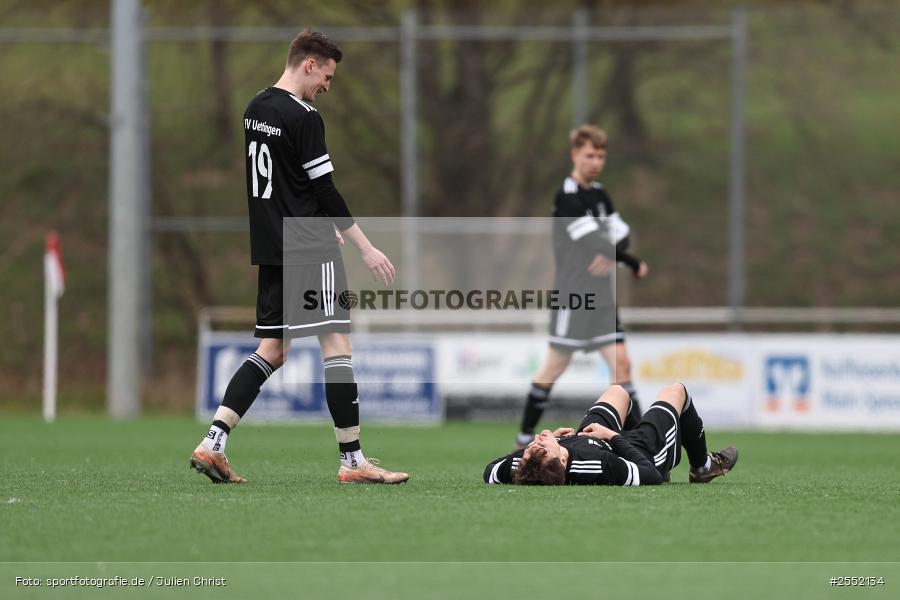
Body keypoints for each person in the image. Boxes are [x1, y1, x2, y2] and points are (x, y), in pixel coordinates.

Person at [189, 31, 408, 485]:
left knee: (273, 349)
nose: (327, 86)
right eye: (327, 76)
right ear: (309, 64)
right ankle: (353, 461)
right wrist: (366, 246)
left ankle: (213, 442)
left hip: (273, 246)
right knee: (337, 346)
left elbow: (286, 181)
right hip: (309, 246)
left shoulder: (255, 108)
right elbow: (323, 187)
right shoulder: (304, 116)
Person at [516, 125, 649, 449]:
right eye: (590, 155)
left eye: (601, 156)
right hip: (573, 296)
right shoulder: (567, 198)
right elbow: (593, 240)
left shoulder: (600, 195)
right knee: (553, 368)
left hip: (602, 297)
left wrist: (610, 253)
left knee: (622, 366)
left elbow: (621, 235)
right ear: (575, 154)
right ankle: (523, 439)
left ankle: (643, 443)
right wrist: (631, 262)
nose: (596, 162)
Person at [487, 383, 737, 486]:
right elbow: (650, 475)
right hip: (639, 451)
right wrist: (613, 436)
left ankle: (635, 428)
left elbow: (490, 471)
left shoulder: (528, 465)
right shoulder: (598, 464)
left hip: (590, 438)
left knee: (618, 392)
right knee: (677, 390)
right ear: (562, 461)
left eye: (529, 450)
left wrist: (553, 441)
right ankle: (703, 466)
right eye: (541, 448)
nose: (535, 443)